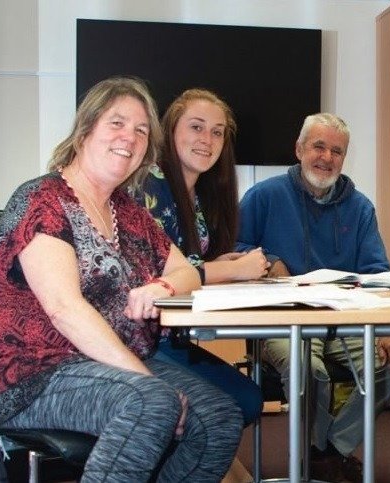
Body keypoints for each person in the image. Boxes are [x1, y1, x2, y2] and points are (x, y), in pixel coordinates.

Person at [0, 76, 242, 482]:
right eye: (117, 123)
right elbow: (65, 309)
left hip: (101, 361)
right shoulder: (42, 200)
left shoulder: (127, 212)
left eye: (140, 130)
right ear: (85, 130)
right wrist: (144, 376)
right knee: (153, 403)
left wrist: (162, 286)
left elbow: (187, 271)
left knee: (220, 417)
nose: (129, 138)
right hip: (31, 372)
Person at [237, 112, 390, 482]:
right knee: (308, 369)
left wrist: (389, 329)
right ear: (299, 149)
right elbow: (231, 250)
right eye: (319, 146)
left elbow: (378, 274)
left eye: (337, 151)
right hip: (282, 320)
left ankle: (328, 448)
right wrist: (268, 261)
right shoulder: (263, 196)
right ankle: (325, 454)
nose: (327, 157)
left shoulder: (360, 207)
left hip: (345, 320)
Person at [138, 88, 265, 426]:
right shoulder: (151, 185)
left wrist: (221, 265)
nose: (207, 139)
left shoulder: (195, 196)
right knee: (241, 404)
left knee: (249, 399)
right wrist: (232, 273)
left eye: (217, 131)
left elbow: (183, 266)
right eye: (196, 127)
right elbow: (157, 274)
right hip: (144, 339)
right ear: (171, 130)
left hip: (171, 335)